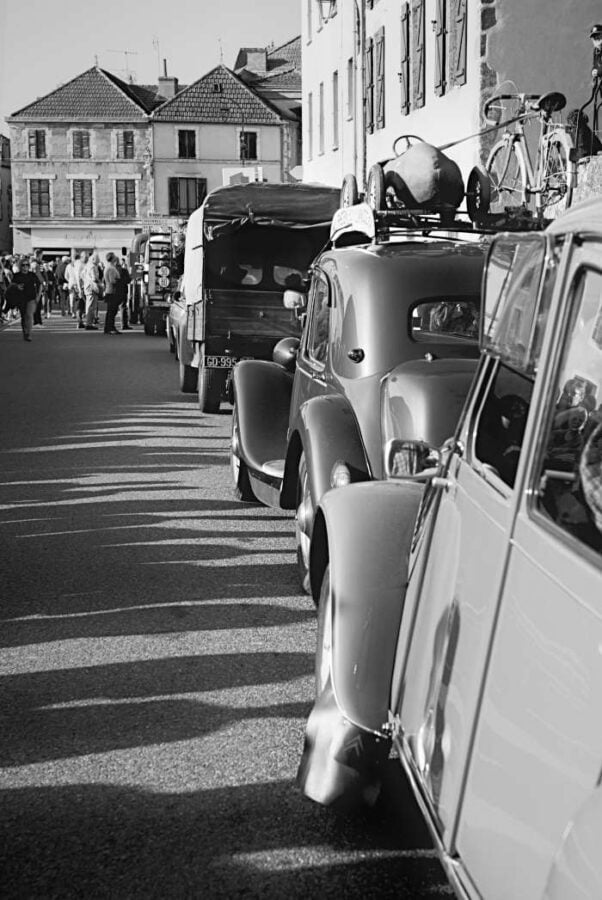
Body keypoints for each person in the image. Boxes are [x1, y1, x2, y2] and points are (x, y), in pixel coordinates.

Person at [9, 258, 40, 341]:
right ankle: (25, 332)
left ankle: (28, 333)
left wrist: (38, 296)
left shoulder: (32, 275)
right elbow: (11, 285)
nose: (25, 267)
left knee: (29, 315)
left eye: (27, 265)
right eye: (23, 265)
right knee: (23, 316)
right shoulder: (17, 275)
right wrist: (17, 286)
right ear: (20, 266)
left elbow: (39, 285)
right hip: (21, 298)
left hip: (31, 298)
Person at [83, 251, 102, 330]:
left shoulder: (87, 265)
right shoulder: (93, 267)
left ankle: (89, 322)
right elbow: (94, 278)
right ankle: (89, 323)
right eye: (98, 259)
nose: (99, 260)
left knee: (89, 305)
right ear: (94, 259)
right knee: (91, 306)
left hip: (88, 286)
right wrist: (99, 282)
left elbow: (82, 274)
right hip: (92, 287)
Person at [103, 252, 121, 334]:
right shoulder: (111, 268)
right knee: (112, 311)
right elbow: (112, 280)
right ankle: (110, 327)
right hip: (112, 291)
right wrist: (120, 281)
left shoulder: (109, 267)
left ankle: (109, 327)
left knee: (111, 310)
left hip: (109, 290)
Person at [116, 257, 132, 330]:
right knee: (123, 307)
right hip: (123, 290)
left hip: (115, 290)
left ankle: (112, 325)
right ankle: (124, 324)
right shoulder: (124, 271)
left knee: (113, 309)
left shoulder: (112, 270)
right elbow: (128, 280)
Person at [74, 251, 88, 327]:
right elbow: (77, 277)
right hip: (79, 287)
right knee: (80, 304)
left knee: (82, 305)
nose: (87, 259)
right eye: (86, 257)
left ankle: (80, 321)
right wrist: (79, 290)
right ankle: (79, 322)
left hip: (83, 286)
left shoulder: (83, 264)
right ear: (81, 257)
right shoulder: (79, 265)